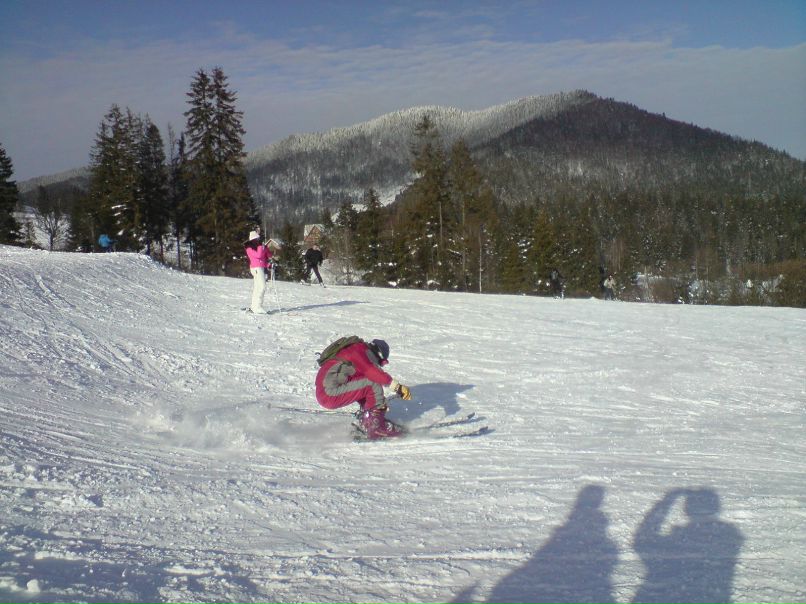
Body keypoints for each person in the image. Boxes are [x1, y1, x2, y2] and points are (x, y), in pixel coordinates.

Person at [315, 338, 412, 439]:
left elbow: (361, 386)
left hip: (327, 393)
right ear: (378, 354)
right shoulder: (359, 351)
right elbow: (372, 373)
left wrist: (378, 404)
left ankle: (369, 421)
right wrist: (398, 387)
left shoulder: (356, 351)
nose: (378, 365)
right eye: (380, 363)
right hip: (329, 393)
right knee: (372, 382)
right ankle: (375, 426)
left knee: (367, 384)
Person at [244, 230, 273, 314]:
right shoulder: (249, 248)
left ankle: (254, 306)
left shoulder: (260, 246)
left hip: (261, 267)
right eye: (257, 239)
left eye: (259, 239)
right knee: (262, 287)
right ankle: (258, 306)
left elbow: (268, 255)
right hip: (256, 268)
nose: (258, 240)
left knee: (257, 287)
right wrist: (261, 246)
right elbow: (259, 255)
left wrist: (269, 261)